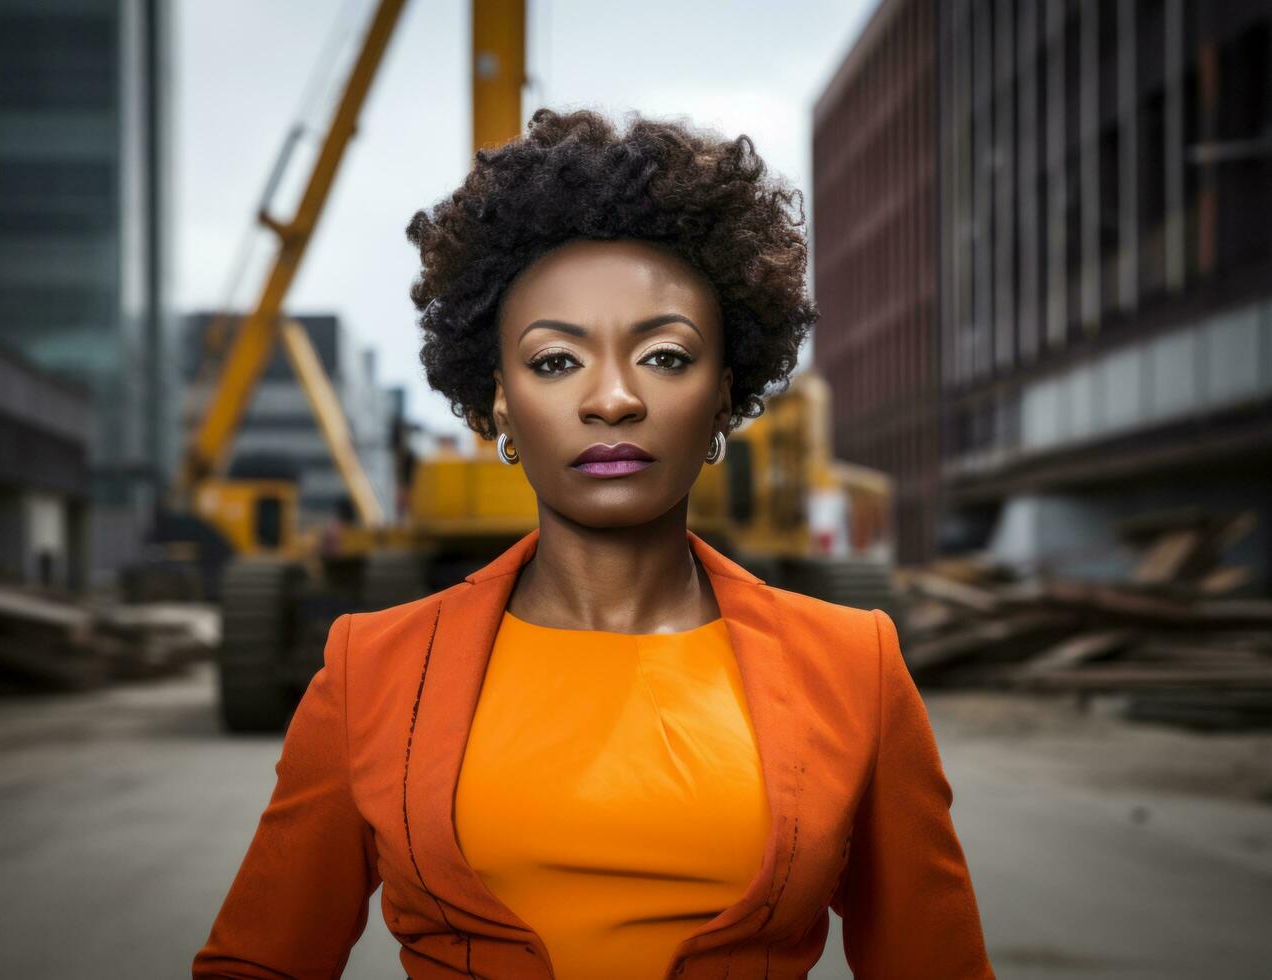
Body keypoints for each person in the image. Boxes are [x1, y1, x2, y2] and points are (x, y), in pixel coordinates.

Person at [193, 107, 993, 979]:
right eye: (554, 362)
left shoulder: (854, 669)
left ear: (724, 396)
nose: (611, 399)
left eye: (663, 356)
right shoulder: (368, 672)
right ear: (497, 401)